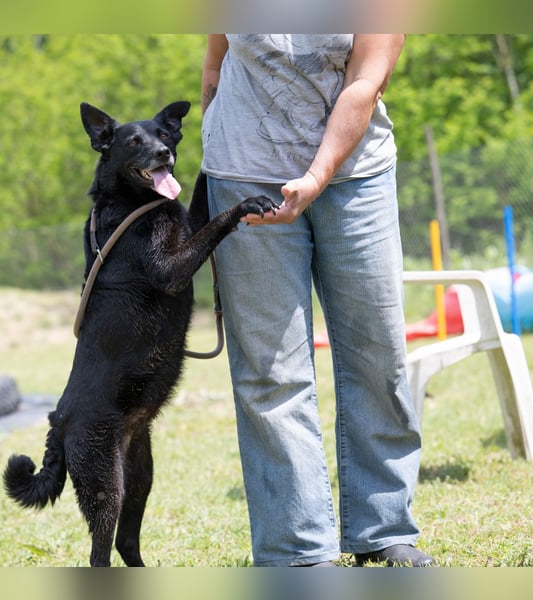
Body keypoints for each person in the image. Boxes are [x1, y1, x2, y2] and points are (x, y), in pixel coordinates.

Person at [200, 34, 435, 567]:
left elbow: (364, 83)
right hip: (242, 176)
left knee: (378, 353)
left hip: (356, 175)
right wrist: (213, 159)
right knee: (270, 369)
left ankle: (383, 529)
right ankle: (298, 549)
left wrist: (314, 176)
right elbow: (214, 64)